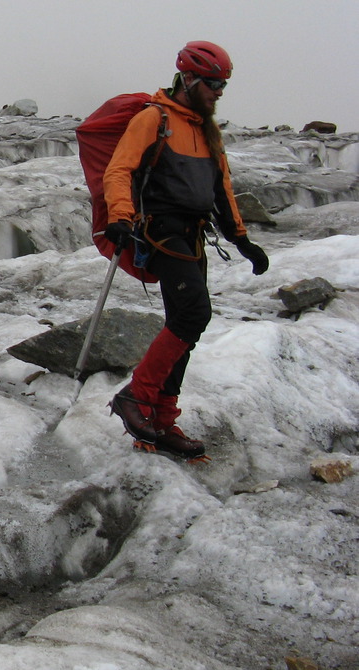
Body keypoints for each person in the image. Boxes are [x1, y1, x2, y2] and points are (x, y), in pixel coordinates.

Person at [102, 40, 268, 459]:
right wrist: (119, 216)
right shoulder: (153, 119)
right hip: (160, 232)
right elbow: (120, 168)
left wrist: (242, 239)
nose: (219, 91)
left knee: (185, 326)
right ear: (189, 78)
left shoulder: (206, 129)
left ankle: (161, 420)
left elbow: (221, 188)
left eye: (223, 84)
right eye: (214, 83)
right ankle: (136, 397)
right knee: (194, 314)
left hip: (193, 236)